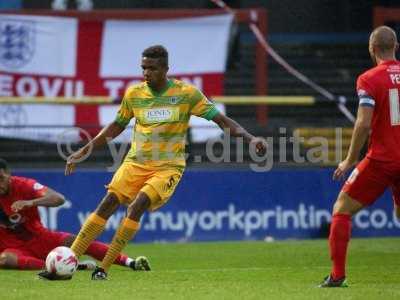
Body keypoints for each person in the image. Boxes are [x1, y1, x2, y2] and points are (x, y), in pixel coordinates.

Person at [65, 45, 267, 280]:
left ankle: (103, 268)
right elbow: (116, 126)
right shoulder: (134, 94)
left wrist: (250, 138)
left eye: (151, 68)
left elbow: (221, 120)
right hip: (135, 163)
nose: (146, 73)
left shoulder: (186, 94)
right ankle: (68, 260)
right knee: (108, 202)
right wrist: (85, 149)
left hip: (167, 168)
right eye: (143, 68)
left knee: (137, 205)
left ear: (165, 69)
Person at [319, 26, 400, 288]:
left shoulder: (368, 79)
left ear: (371, 49)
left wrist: (350, 158)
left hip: (382, 160)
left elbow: (363, 124)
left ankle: (337, 275)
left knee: (341, 209)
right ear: (395, 46)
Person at [0, 158, 149, 279]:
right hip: (11, 247)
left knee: (78, 241)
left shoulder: (24, 185)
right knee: (5, 259)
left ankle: (131, 262)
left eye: (1, 178)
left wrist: (30, 202)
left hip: (40, 239)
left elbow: (58, 198)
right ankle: (62, 266)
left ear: (8, 174)